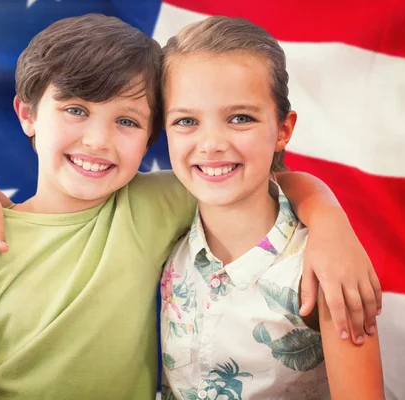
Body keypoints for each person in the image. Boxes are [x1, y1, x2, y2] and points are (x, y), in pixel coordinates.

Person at [0, 14, 380, 400]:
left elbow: (261, 178)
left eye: (126, 120)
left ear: (149, 138)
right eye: (76, 109)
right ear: (27, 115)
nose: (98, 141)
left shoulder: (160, 201)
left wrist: (329, 222)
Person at [158, 17, 384, 399]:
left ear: (283, 129)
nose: (211, 144)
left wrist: (327, 219)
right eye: (186, 121)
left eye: (240, 118)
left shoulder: (322, 272)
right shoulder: (160, 231)